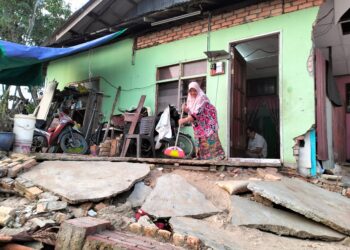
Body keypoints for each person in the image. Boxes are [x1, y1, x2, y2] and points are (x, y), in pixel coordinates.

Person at [178, 81, 225, 160]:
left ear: (198, 90)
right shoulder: (190, 99)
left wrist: (184, 120)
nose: (193, 93)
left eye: (194, 90)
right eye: (191, 91)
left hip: (208, 121)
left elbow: (197, 113)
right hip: (199, 123)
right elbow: (191, 111)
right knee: (199, 138)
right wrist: (185, 109)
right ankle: (202, 157)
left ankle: (218, 157)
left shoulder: (202, 98)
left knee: (210, 137)